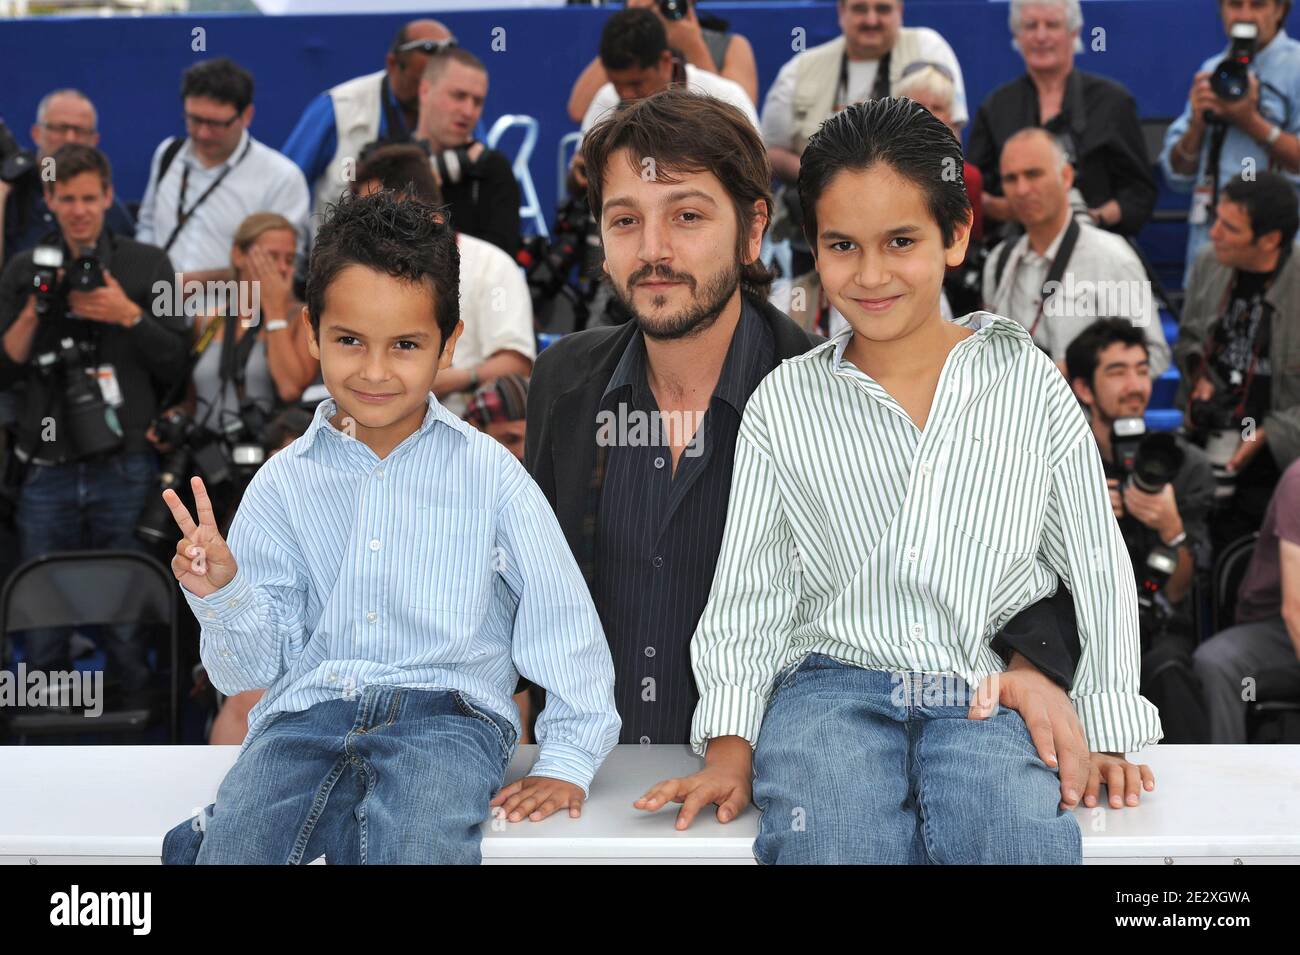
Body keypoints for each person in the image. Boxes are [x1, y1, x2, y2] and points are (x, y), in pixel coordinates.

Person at [529, 88, 1145, 817]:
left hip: (782, 786)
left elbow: (1017, 564)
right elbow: (527, 594)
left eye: (687, 216)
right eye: (625, 220)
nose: (654, 249)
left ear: (754, 230)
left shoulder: (814, 392)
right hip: (590, 789)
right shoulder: (564, 382)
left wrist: (1039, 669)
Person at [157, 190, 619, 864]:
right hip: (303, 720)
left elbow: (563, 619)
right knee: (238, 847)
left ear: (449, 343)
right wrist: (222, 594)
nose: (374, 371)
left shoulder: (493, 475)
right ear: (312, 332)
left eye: (405, 344)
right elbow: (246, 671)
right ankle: (218, 829)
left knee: (416, 844)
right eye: (349, 341)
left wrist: (569, 757)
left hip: (449, 720)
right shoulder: (282, 484)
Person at [0, 144, 187, 698]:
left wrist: (128, 315)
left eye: (89, 198)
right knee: (43, 615)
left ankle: (135, 730)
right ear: (50, 200)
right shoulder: (26, 268)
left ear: (108, 197)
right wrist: (36, 308)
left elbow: (178, 362)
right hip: (45, 463)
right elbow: (5, 369)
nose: (79, 210)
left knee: (126, 615)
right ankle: (41, 733)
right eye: (67, 199)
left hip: (125, 462)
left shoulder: (146, 264)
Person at [760, 0, 967, 329]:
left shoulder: (928, 47)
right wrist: (830, 172)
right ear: (841, 12)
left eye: (883, 9)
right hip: (816, 233)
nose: (871, 19)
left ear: (901, 11)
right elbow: (769, 151)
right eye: (860, 9)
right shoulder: (801, 67)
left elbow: (949, 137)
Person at [1065, 319, 1216, 741]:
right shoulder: (1057, 463)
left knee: (1169, 669)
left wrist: (1172, 530)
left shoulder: (1183, 464)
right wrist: (1082, 515)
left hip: (1157, 627)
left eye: (1142, 370)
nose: (1135, 386)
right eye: (1117, 372)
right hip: (1078, 626)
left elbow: (1180, 593)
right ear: (1083, 388)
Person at [147, 212, 318, 528]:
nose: (282, 268)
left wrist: (275, 310)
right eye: (271, 257)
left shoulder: (299, 319)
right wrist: (175, 417)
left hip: (264, 466)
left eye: (289, 259)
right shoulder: (209, 320)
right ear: (239, 255)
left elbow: (290, 387)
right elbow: (194, 398)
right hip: (206, 466)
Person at [351, 144, 533, 415]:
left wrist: (452, 380)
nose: (367, 227)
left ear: (416, 205)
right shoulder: (362, 272)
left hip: (470, 423)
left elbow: (516, 366)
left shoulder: (491, 265)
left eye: (377, 214)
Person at [1174, 171, 1300, 550]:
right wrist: (1198, 373)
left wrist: (1271, 434)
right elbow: (1189, 338)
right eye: (1216, 220)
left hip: (1279, 461)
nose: (1213, 234)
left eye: (1230, 228)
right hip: (1208, 437)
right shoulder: (1208, 264)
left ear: (1270, 240)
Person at [983, 128, 1169, 376]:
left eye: (1033, 174)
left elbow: (1152, 356)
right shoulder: (999, 261)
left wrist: (1077, 374)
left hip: (1082, 402)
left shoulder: (1112, 257)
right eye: (1010, 179)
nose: (1022, 189)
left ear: (1067, 177)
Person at [967, 0, 1156, 237]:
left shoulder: (1113, 102)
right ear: (1017, 35)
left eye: (1052, 25)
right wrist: (1011, 210)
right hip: (1016, 243)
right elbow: (973, 189)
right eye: (1031, 26)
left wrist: (1094, 218)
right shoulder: (995, 107)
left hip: (1097, 244)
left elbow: (1139, 193)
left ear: (1074, 32)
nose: (1041, 36)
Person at [135, 58, 310, 292]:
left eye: (216, 124)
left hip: (233, 312)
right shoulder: (167, 153)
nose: (203, 133)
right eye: (194, 120)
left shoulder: (282, 178)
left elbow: (285, 267)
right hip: (158, 307)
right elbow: (147, 225)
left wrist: (198, 283)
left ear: (247, 116)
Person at [1159, 0, 1300, 276]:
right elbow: (1176, 175)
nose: (1245, 15)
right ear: (1221, 11)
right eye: (1235, 4)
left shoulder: (1295, 69)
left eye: (1258, 5)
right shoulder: (1212, 70)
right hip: (1212, 250)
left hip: (1277, 254)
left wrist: (1252, 122)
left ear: (1279, 10)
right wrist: (1197, 125)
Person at [280, 19, 456, 228]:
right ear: (392, 63)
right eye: (421, 82)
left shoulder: (461, 111)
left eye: (439, 85)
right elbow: (286, 186)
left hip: (432, 245)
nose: (428, 94)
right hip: (339, 245)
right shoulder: (337, 108)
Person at [1193, 457, 1300, 743]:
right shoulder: (1297, 482)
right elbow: (1294, 611)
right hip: (1280, 627)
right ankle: (1228, 768)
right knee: (1217, 663)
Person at [0, 89, 135, 269]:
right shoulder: (10, 193)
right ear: (36, 133)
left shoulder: (107, 208)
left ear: (94, 140)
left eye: (80, 131)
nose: (70, 138)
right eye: (60, 128)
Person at [411, 48, 522, 257]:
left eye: (477, 101)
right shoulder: (386, 160)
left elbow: (501, 259)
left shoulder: (492, 168)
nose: (468, 111)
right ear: (425, 91)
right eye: (458, 96)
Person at [567, 0, 758, 121]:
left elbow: (738, 116)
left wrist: (693, 45)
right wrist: (631, 25)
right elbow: (578, 110)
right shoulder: (623, 56)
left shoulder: (732, 45)